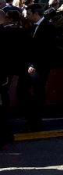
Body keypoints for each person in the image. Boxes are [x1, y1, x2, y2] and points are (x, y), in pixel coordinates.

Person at [18, 4, 57, 131]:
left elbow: (46, 49)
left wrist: (34, 65)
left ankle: (35, 119)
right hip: (29, 65)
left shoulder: (48, 27)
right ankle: (30, 116)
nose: (27, 16)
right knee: (22, 90)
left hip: (39, 66)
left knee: (37, 91)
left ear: (36, 13)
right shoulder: (31, 27)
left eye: (28, 14)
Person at [0, 9, 25, 146]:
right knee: (4, 103)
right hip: (6, 75)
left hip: (3, 75)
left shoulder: (7, 33)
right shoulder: (14, 33)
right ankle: (6, 135)